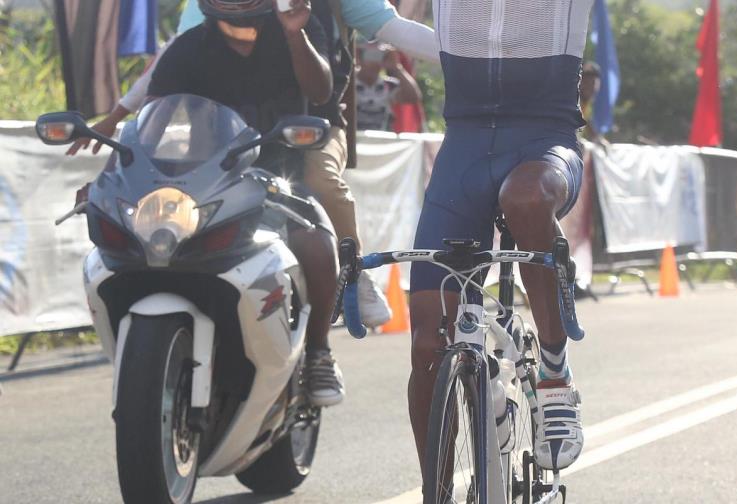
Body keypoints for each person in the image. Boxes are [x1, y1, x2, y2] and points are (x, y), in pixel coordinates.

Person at [66, 0, 439, 329]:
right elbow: (161, 82)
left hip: (308, 131)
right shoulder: (192, 40)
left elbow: (340, 75)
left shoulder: (302, 27)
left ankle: (344, 287)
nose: (236, 13)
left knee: (318, 188)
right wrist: (116, 126)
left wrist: (475, 55)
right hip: (223, 139)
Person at [404, 0, 592, 473]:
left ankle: (553, 373)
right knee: (429, 345)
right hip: (463, 151)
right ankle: (438, 491)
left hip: (544, 145)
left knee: (526, 199)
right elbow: (384, 19)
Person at [143, 0, 343, 405]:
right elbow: (150, 124)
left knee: (316, 242)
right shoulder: (187, 48)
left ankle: (319, 351)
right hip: (201, 183)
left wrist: (294, 34)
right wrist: (113, 174)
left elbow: (320, 92)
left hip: (277, 179)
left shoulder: (301, 29)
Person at [355, 42, 422, 131]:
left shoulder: (388, 85)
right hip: (354, 139)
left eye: (377, 55)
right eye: (369, 55)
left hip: (379, 141)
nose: (373, 61)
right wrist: (354, 62)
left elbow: (413, 97)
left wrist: (396, 68)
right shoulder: (350, 82)